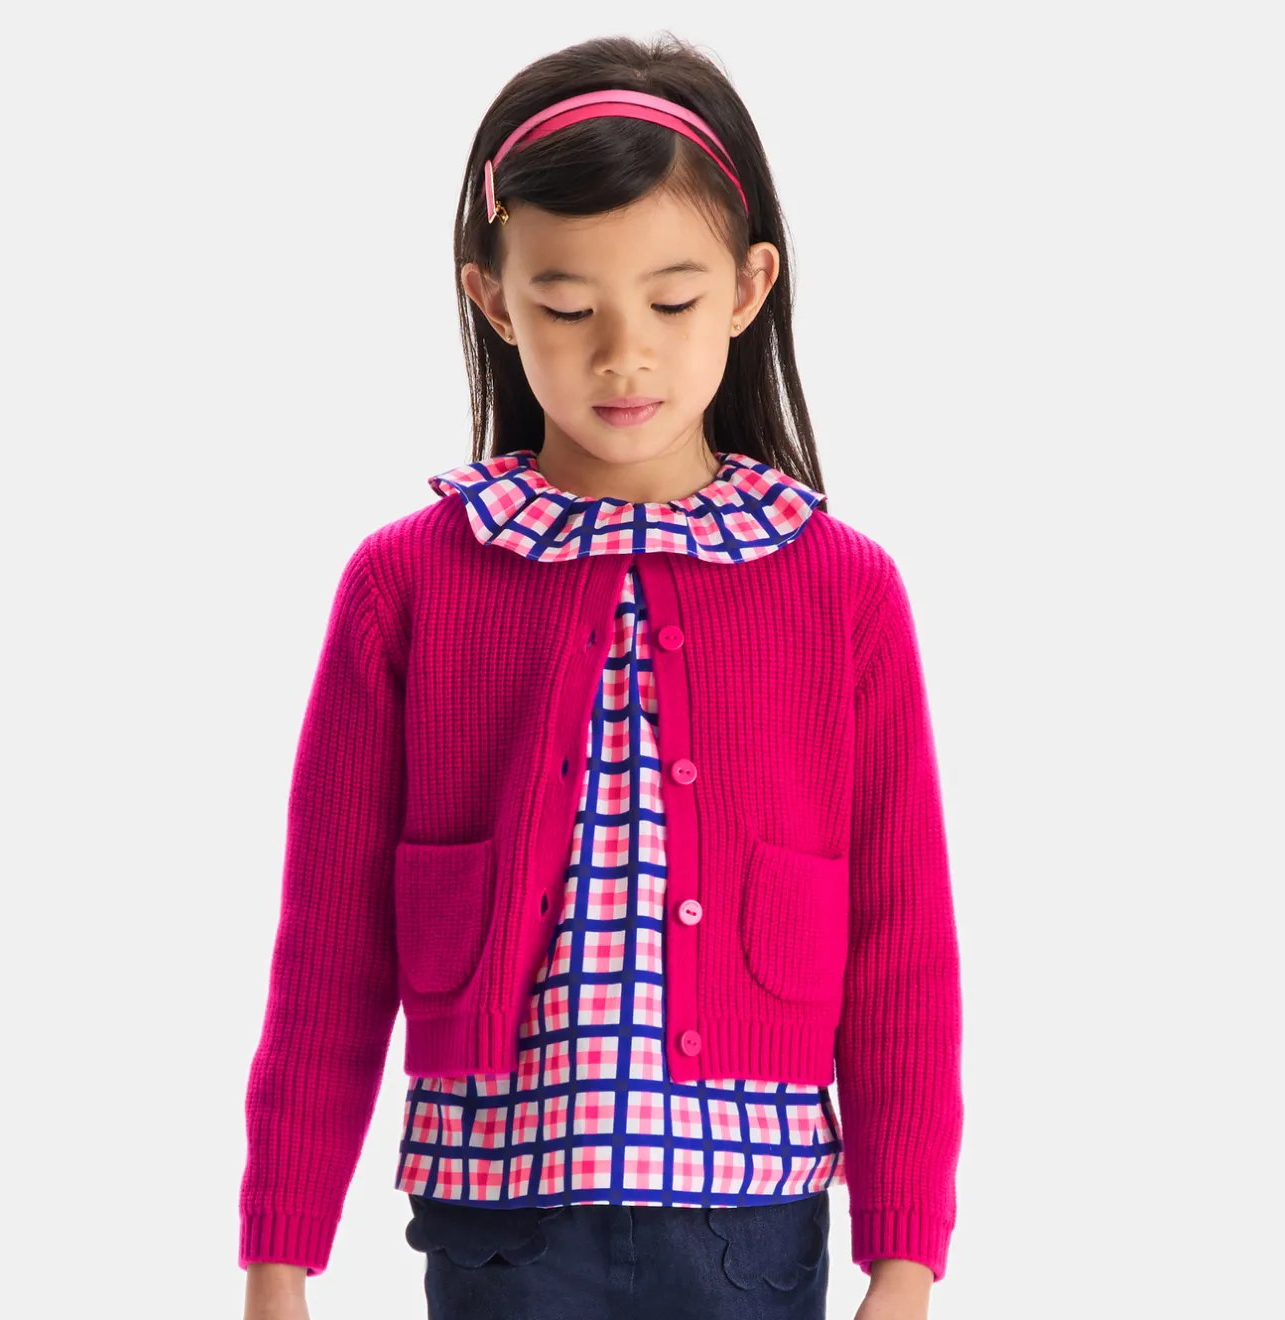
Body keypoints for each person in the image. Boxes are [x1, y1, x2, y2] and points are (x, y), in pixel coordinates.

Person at [238, 32, 963, 1320]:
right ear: (493, 299)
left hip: (750, 1211)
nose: (624, 355)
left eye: (672, 303)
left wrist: (904, 1257)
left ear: (748, 288)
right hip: (501, 1211)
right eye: (569, 309)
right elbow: (330, 940)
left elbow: (901, 941)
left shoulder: (843, 592)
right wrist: (278, 1252)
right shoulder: (408, 585)